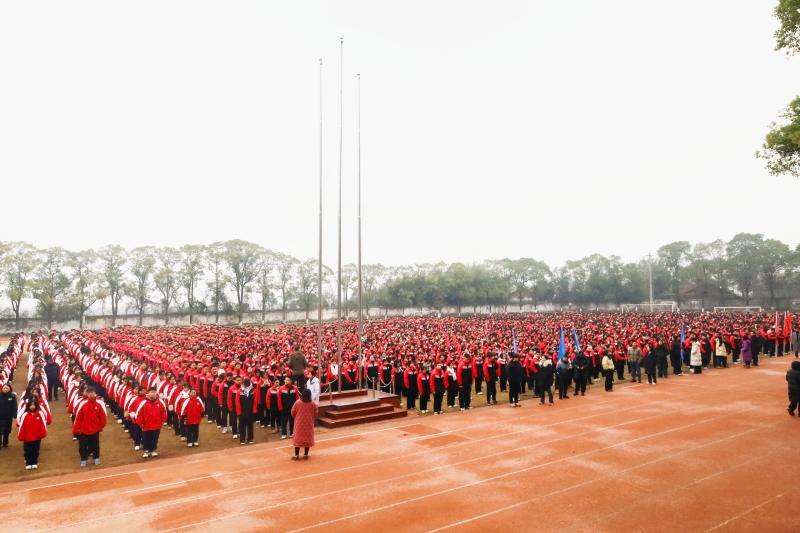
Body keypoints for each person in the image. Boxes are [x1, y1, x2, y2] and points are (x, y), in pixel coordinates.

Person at [72, 387, 107, 467]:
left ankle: (96, 458)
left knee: (95, 445)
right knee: (82, 446)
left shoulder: (99, 404)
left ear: (95, 393)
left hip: (95, 429)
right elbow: (78, 417)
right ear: (86, 394)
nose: (91, 394)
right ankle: (83, 459)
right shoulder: (83, 404)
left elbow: (102, 416)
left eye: (92, 392)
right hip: (83, 429)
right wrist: (76, 429)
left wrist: (101, 426)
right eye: (89, 393)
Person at [17, 400, 49, 470]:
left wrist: (42, 433)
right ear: (28, 406)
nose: (32, 407)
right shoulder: (25, 415)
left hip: (37, 437)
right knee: (28, 450)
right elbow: (21, 426)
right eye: (31, 405)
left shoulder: (40, 413)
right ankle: (28, 463)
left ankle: (34, 462)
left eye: (34, 405)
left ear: (36, 405)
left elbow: (43, 424)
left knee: (35, 450)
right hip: (27, 437)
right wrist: (21, 436)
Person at [136, 387, 167, 458]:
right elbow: (139, 413)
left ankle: (153, 450)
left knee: (155, 438)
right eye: (151, 392)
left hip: (157, 425)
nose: (152, 394)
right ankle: (146, 451)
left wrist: (163, 421)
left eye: (154, 392)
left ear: (156, 393)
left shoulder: (161, 402)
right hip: (146, 425)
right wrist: (140, 423)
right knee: (146, 438)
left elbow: (164, 412)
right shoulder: (143, 403)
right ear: (148, 393)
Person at [291, 389, 318, 460]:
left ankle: (296, 455)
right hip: (309, 424)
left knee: (298, 438)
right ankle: (306, 454)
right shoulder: (312, 403)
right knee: (307, 438)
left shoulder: (297, 402)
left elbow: (292, 412)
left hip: (299, 424)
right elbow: (316, 413)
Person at [235, 377, 257, 445]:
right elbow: (237, 402)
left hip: (250, 411)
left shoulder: (253, 390)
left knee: (250, 425)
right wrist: (239, 412)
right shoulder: (239, 391)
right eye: (245, 384)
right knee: (242, 426)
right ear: (243, 384)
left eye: (247, 384)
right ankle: (242, 439)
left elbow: (255, 401)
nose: (246, 386)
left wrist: (254, 409)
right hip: (242, 412)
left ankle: (250, 438)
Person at [0, 383, 17, 449]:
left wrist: (15, 414)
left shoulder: (12, 396)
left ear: (10, 389)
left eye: (7, 388)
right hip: (0, 417)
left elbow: (14, 406)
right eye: (4, 388)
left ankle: (5, 443)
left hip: (8, 417)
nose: (5, 389)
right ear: (2, 388)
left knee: (6, 431)